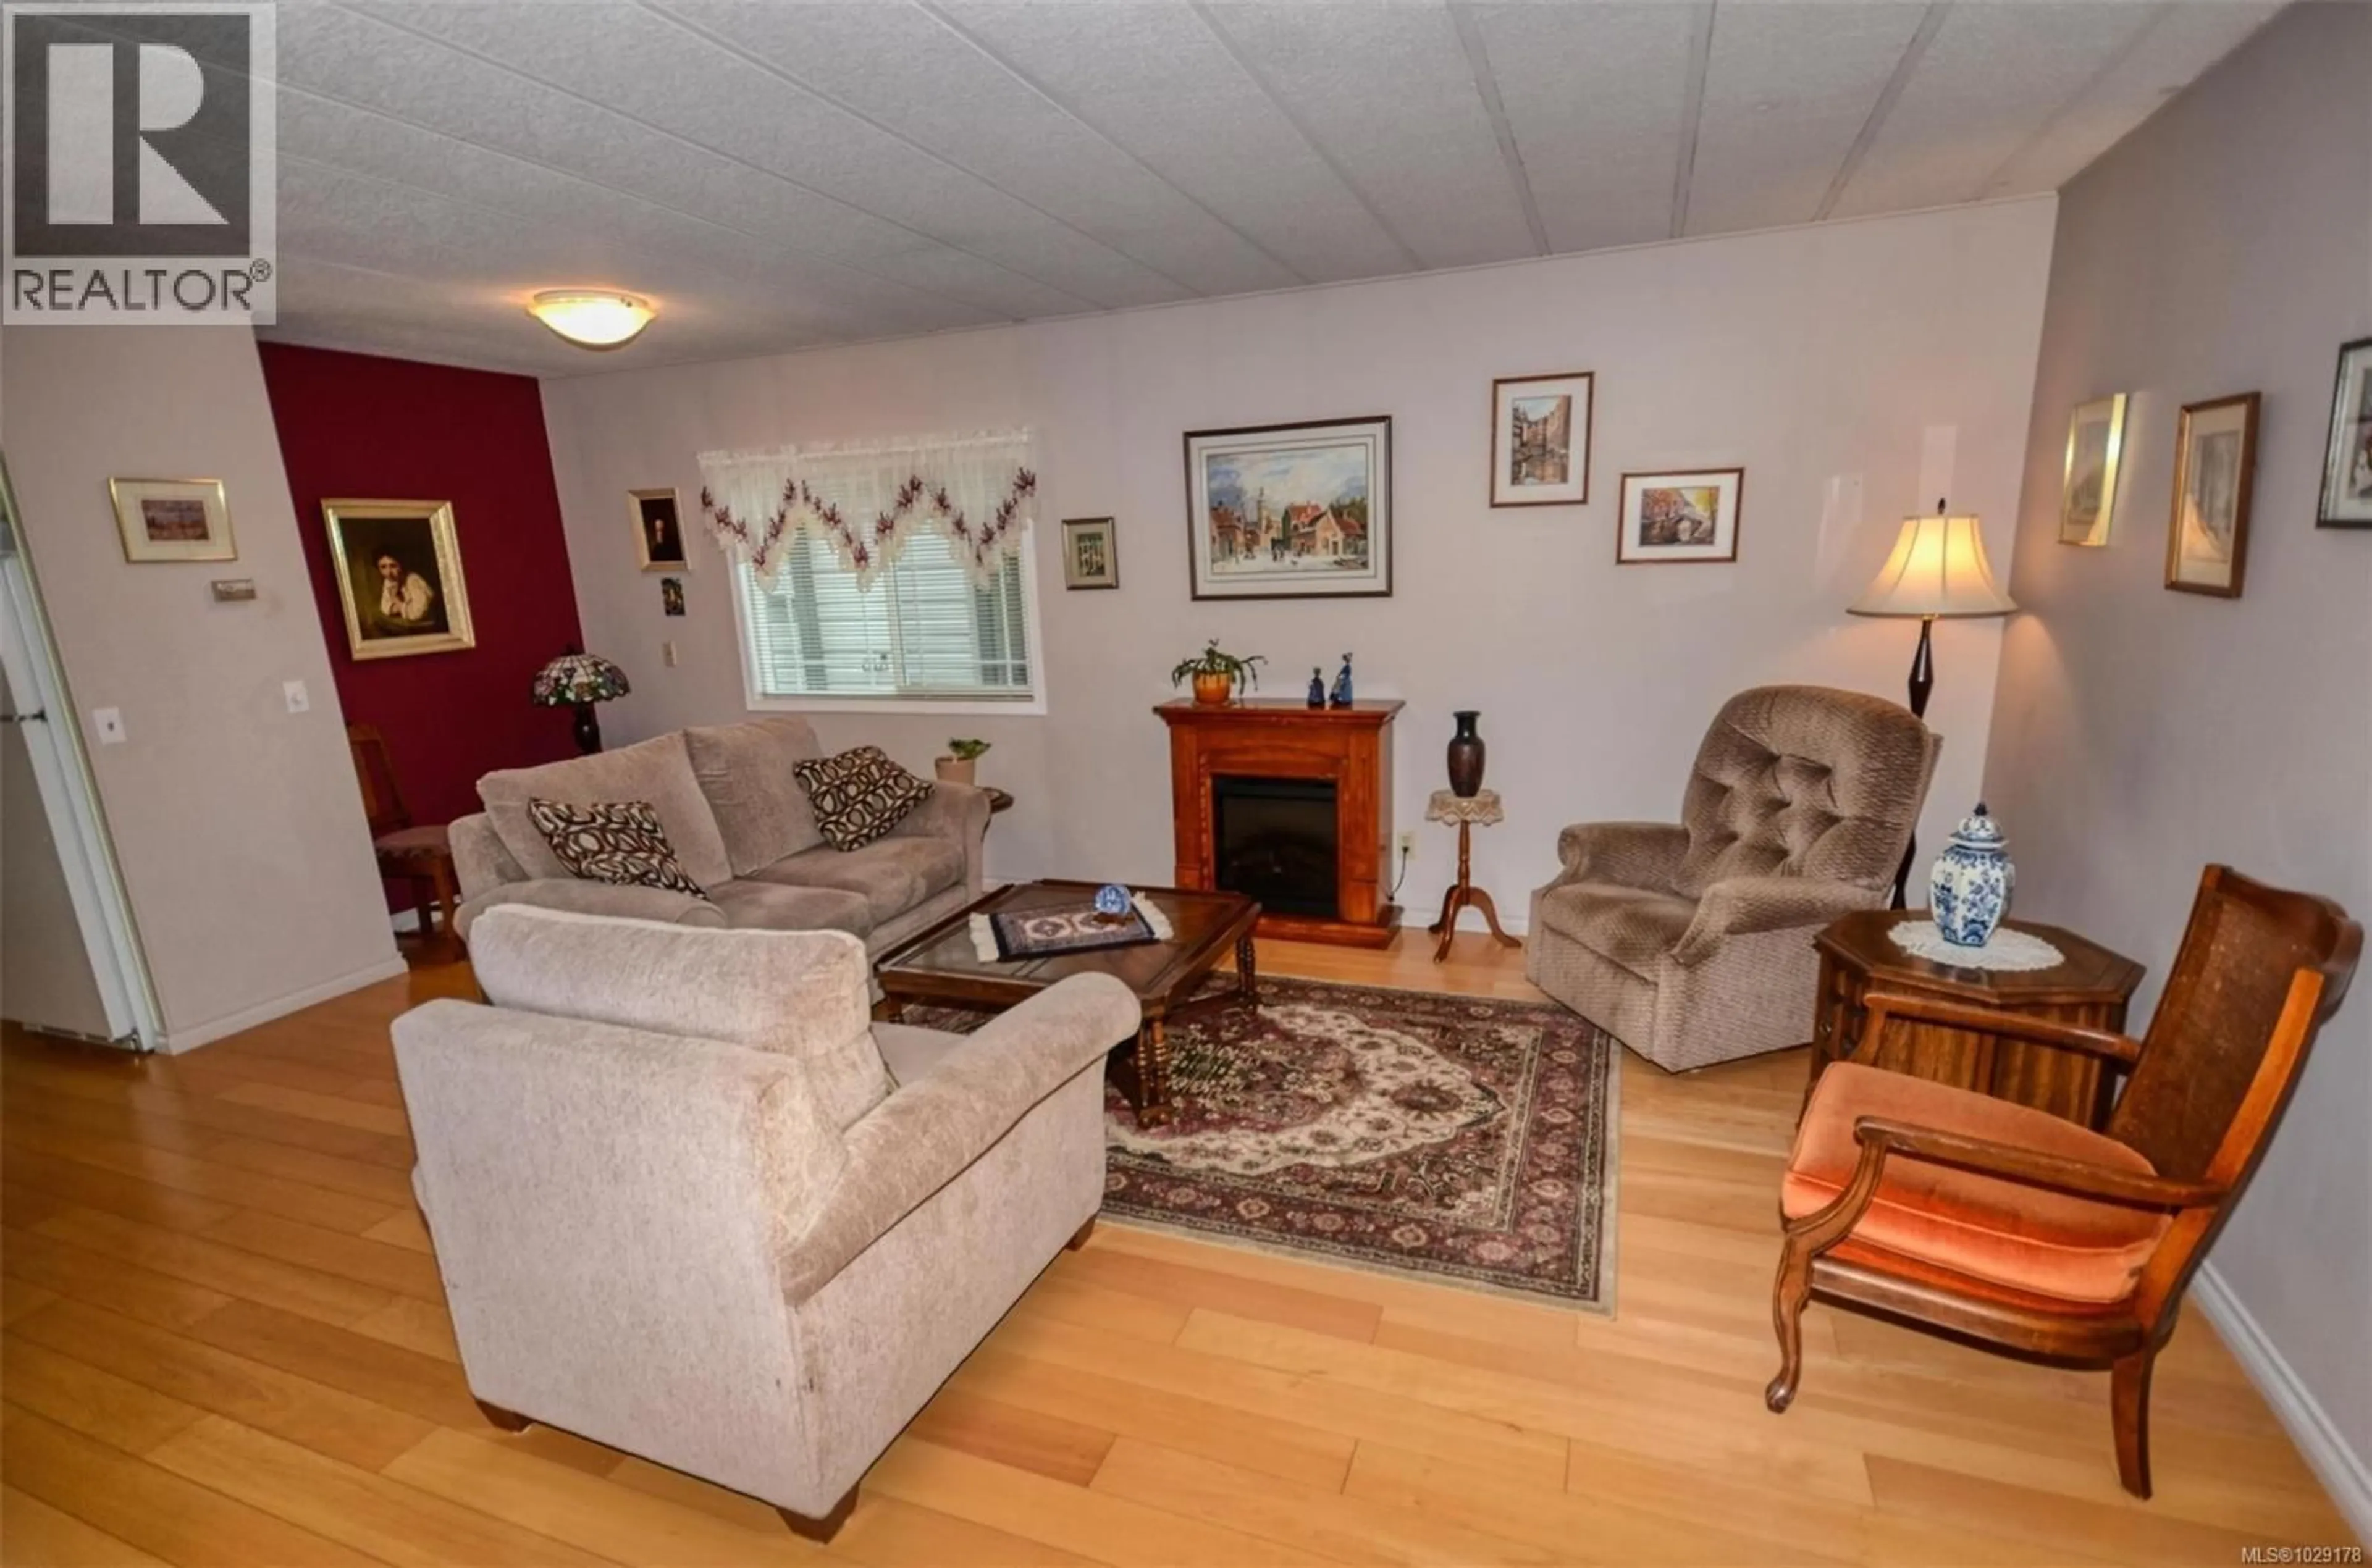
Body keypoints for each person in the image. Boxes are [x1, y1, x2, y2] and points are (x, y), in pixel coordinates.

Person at [372, 549, 438, 634]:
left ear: (401, 566)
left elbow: (417, 613)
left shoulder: (413, 580)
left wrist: (396, 602)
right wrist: (403, 607)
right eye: (383, 567)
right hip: (409, 624)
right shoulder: (390, 581)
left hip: (428, 626)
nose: (389, 573)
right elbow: (385, 608)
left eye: (393, 566)